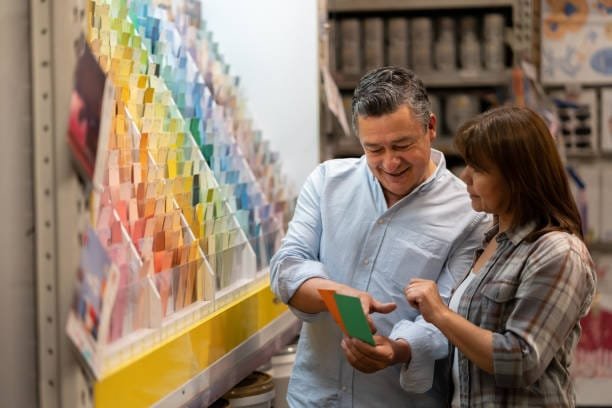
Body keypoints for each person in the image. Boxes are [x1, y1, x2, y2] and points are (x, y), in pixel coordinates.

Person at [269, 66, 489, 407]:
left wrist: (398, 350)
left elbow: (451, 317)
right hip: (314, 397)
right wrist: (336, 293)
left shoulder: (469, 213)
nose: (389, 163)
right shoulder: (328, 182)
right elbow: (286, 268)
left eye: (402, 145)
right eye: (374, 149)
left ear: (430, 128)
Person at [403, 106, 597, 407]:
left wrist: (441, 314)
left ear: (517, 177)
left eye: (478, 169)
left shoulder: (557, 252)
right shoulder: (491, 241)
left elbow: (521, 360)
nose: (464, 177)